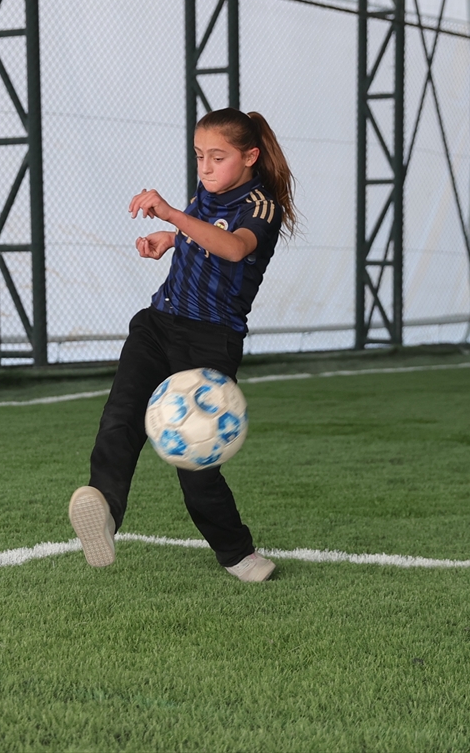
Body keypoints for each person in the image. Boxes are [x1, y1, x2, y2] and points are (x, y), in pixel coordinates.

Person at [68, 108, 299, 583]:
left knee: (194, 459)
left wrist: (173, 214)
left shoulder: (260, 206)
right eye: (199, 157)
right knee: (120, 417)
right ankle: (105, 512)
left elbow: (233, 247)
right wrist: (172, 239)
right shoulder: (204, 195)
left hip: (209, 341)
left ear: (251, 156)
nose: (207, 167)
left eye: (219, 157)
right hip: (158, 324)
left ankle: (238, 553)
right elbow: (202, 237)